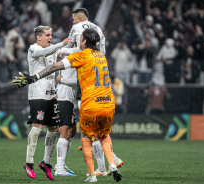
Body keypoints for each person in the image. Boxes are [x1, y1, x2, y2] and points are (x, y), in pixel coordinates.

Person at [13, 28, 122, 182]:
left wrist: (34, 77)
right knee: (102, 135)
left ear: (84, 41)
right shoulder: (102, 56)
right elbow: (50, 52)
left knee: (81, 135)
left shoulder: (79, 55)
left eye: (81, 38)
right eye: (48, 35)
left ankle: (90, 174)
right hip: (108, 103)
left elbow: (56, 66)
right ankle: (110, 164)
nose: (50, 37)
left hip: (87, 102)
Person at [66, 8, 124, 177]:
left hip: (85, 81)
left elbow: (72, 48)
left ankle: (101, 168)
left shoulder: (78, 29)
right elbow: (101, 53)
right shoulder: (98, 30)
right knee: (101, 133)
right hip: (99, 81)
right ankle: (111, 161)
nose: (73, 22)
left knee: (89, 132)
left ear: (78, 17)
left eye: (73, 19)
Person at [13, 25, 74, 180]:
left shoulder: (53, 49)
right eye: (47, 35)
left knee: (54, 128)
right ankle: (29, 162)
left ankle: (46, 162)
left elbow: (65, 52)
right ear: (38, 37)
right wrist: (61, 44)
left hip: (52, 95)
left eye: (51, 35)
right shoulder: (33, 49)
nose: (50, 37)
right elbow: (46, 51)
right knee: (37, 127)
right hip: (37, 94)